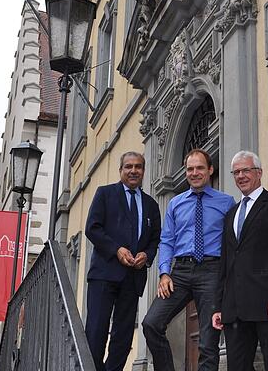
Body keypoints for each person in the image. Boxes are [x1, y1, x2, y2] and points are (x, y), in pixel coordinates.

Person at [142, 149, 235, 371]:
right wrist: (164, 273)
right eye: (190, 169)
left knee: (208, 340)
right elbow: (166, 241)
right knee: (151, 323)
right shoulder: (175, 203)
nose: (194, 173)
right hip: (180, 273)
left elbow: (233, 243)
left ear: (210, 170)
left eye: (199, 168)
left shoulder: (227, 202)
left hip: (212, 271)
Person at [212, 150, 268, 371]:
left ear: (258, 172)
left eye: (245, 170)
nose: (240, 176)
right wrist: (219, 306)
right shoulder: (231, 214)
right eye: (236, 172)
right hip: (235, 308)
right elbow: (226, 263)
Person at [85, 151, 162, 371]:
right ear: (121, 170)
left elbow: (156, 238)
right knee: (97, 331)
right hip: (104, 274)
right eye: (128, 166)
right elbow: (93, 228)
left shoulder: (151, 204)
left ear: (143, 171)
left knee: (124, 334)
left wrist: (147, 255)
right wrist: (116, 249)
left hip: (132, 277)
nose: (133, 171)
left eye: (138, 167)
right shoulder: (105, 194)